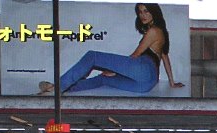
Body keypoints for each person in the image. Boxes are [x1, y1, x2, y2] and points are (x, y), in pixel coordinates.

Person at [38, 3, 184, 94]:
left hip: (143, 70)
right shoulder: (161, 32)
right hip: (147, 84)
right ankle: (60, 90)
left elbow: (136, 54)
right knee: (103, 79)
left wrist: (115, 70)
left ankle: (58, 87)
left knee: (93, 56)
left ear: (154, 12)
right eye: (140, 12)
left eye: (146, 11)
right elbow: (165, 57)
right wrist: (171, 82)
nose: (142, 15)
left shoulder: (153, 31)